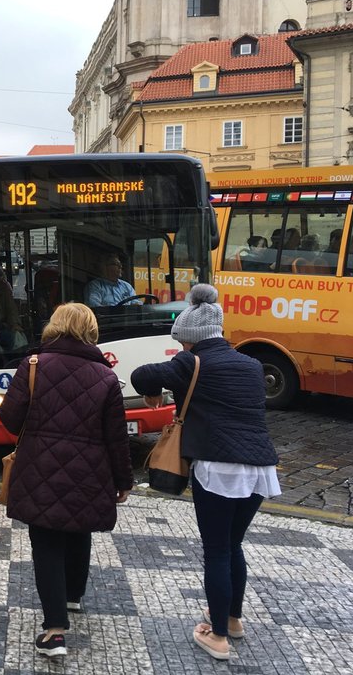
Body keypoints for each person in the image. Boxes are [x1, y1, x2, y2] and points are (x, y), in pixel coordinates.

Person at [130, 284, 280, 662]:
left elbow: (142, 375)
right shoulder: (250, 364)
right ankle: (231, 620)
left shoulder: (191, 363)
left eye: (182, 342)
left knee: (215, 550)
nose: (181, 348)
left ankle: (216, 638)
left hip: (217, 466)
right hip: (260, 468)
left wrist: (155, 394)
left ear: (190, 340)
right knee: (233, 546)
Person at [0, 303, 133, 659]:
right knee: (78, 529)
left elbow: (10, 419)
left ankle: (55, 632)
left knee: (46, 541)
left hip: (39, 467)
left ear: (53, 326)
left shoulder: (32, 365)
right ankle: (73, 596)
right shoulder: (106, 376)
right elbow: (117, 437)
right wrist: (124, 481)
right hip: (90, 470)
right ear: (91, 329)